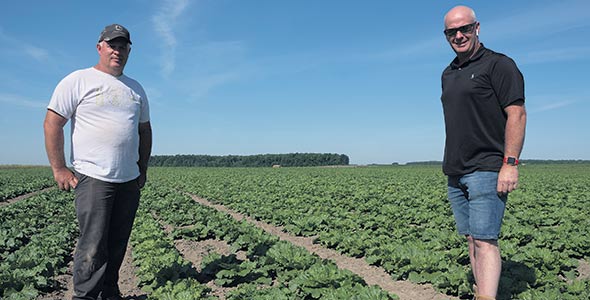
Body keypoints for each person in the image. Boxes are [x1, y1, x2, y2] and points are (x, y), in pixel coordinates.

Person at [44, 24, 152, 300]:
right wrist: (59, 168)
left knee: (118, 243)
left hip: (127, 178)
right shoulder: (78, 80)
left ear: (129, 50)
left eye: (123, 46)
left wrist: (142, 169)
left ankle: (110, 291)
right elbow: (53, 123)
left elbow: (144, 130)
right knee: (92, 245)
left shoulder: (135, 89)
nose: (118, 50)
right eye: (112, 45)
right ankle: (85, 295)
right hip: (93, 177)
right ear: (100, 47)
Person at [440, 6, 526, 300]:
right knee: (472, 239)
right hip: (456, 170)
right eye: (452, 32)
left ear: (478, 28)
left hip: (487, 168)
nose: (459, 35)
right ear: (446, 35)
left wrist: (510, 163)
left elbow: (516, 114)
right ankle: (482, 293)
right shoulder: (448, 74)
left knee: (486, 241)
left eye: (465, 29)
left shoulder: (499, 65)